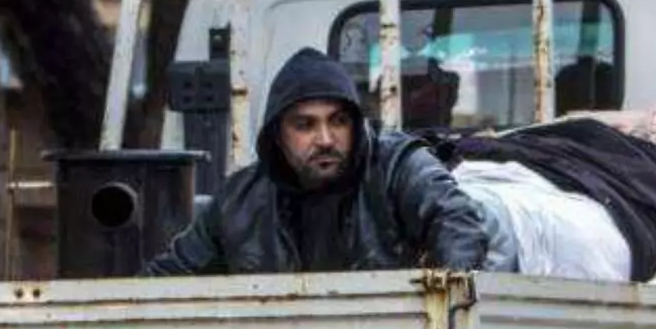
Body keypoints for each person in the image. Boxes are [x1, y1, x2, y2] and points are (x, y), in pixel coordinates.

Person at [141, 47, 491, 276]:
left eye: (338, 121)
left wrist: (442, 315)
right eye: (305, 125)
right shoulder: (240, 200)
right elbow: (172, 274)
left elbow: (458, 223)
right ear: (278, 134)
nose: (325, 139)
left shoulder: (398, 164)